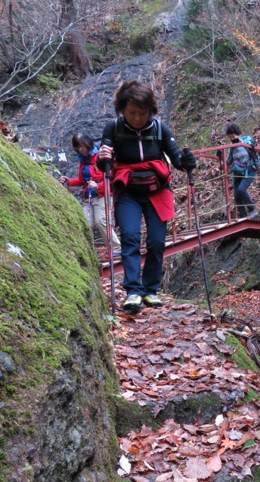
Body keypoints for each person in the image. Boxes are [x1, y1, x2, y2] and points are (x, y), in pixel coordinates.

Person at [97, 80, 197, 313]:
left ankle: (151, 290)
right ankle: (133, 291)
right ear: (122, 110)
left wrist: (187, 162)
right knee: (130, 237)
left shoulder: (160, 129)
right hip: (128, 192)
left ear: (151, 111)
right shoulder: (113, 128)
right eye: (132, 113)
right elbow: (105, 166)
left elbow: (177, 160)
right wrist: (102, 159)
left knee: (156, 242)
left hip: (157, 191)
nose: (138, 118)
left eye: (143, 113)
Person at [60, 132, 121, 257]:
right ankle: (89, 254)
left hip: (103, 195)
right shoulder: (83, 160)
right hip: (89, 196)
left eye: (82, 146)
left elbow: (112, 179)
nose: (80, 149)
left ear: (88, 143)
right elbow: (84, 180)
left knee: (101, 221)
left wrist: (98, 186)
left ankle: (117, 249)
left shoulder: (101, 157)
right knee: (85, 223)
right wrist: (69, 181)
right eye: (77, 147)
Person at [224, 123, 259, 220]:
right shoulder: (232, 146)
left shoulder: (246, 140)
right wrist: (221, 156)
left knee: (241, 190)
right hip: (238, 171)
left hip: (250, 169)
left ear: (238, 133)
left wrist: (241, 142)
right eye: (230, 136)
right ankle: (243, 215)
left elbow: (252, 147)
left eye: (233, 136)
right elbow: (228, 160)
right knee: (236, 194)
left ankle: (253, 209)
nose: (231, 138)